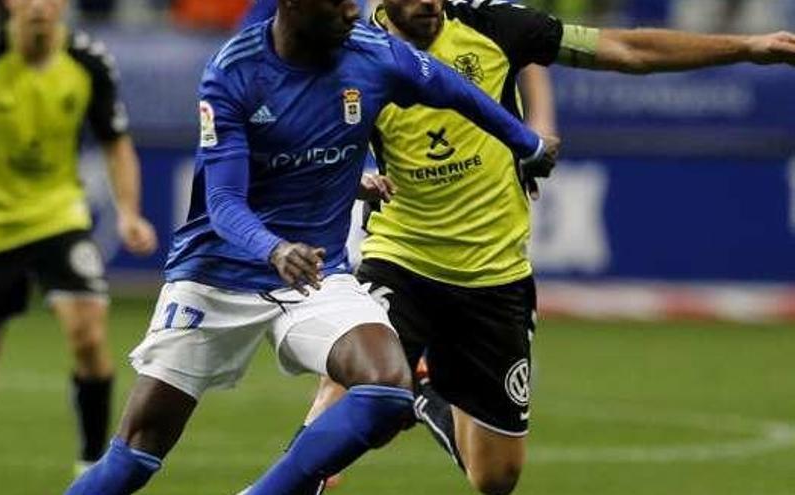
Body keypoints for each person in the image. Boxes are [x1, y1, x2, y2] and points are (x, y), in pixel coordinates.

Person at [241, 1, 795, 494]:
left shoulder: (497, 26)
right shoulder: (346, 46)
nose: (431, 3)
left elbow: (627, 48)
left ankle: (424, 394)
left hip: (495, 276)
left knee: (496, 477)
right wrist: (351, 174)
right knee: (354, 390)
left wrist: (746, 47)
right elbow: (288, 135)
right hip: (401, 258)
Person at [63, 0, 559, 493]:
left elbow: (455, 91)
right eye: (339, 2)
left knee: (387, 388)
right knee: (135, 456)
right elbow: (223, 201)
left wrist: (526, 143)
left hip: (314, 274)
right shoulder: (234, 71)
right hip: (217, 274)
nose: (353, 11)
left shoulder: (374, 52)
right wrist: (274, 249)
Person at [0, 0, 157, 493]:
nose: (41, 7)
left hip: (58, 216)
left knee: (88, 331)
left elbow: (116, 141)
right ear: (11, 5)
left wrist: (129, 212)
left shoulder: (89, 61)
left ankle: (90, 466)